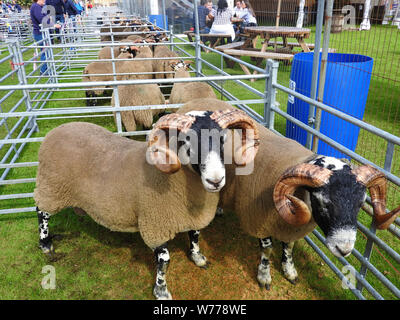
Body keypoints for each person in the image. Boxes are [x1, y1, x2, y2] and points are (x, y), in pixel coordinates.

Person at [30, 0, 61, 75]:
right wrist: (53, 25)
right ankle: (43, 71)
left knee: (46, 51)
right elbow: (41, 20)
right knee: (45, 52)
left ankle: (46, 70)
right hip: (40, 33)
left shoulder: (38, 7)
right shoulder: (36, 7)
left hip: (41, 32)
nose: (44, 0)